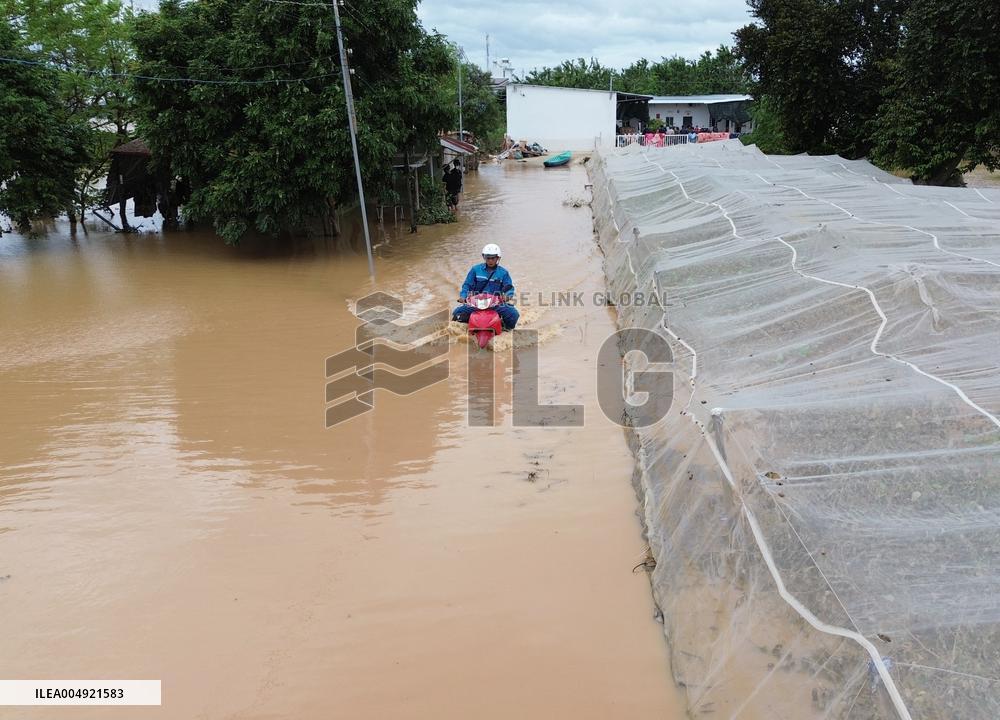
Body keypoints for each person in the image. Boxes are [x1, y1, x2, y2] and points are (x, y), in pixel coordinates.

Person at [452, 244, 519, 330]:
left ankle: (507, 329)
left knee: (514, 314)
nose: (490, 260)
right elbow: (467, 285)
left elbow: (509, 288)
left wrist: (507, 296)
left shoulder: (503, 273)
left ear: (498, 258)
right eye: (488, 258)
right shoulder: (475, 270)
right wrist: (463, 296)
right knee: (456, 313)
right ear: (484, 257)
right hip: (476, 303)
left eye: (493, 258)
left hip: (495, 303)